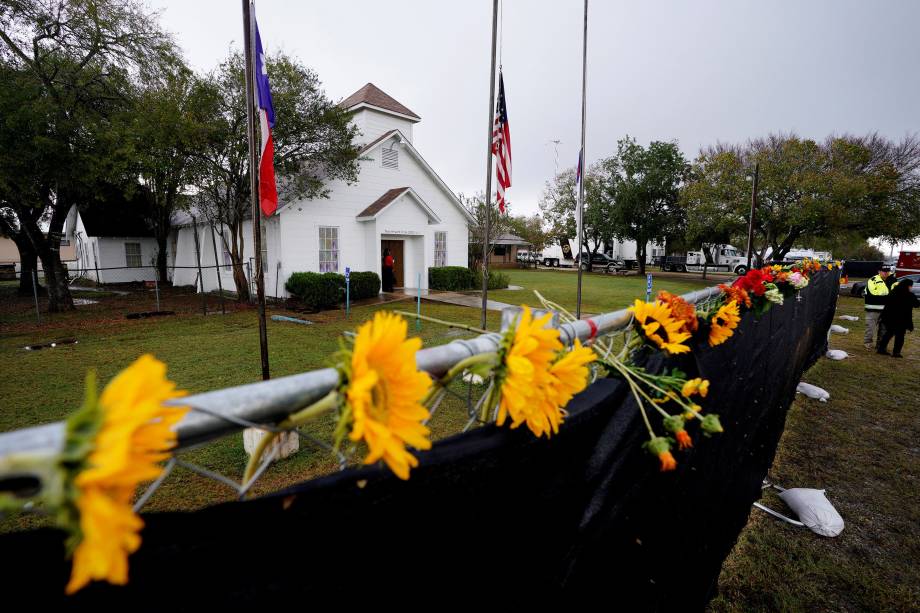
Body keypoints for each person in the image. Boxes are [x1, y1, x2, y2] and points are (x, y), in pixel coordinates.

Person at [877, 278, 918, 358]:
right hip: (901, 319)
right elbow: (916, 304)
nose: (911, 288)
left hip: (890, 318)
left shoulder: (893, 292)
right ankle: (896, 352)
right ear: (908, 286)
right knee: (900, 336)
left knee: (888, 334)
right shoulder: (909, 295)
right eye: (910, 286)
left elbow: (887, 305)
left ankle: (881, 349)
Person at [863, 265, 895, 349]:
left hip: (887, 309)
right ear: (879, 271)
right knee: (870, 327)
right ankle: (868, 342)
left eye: (887, 271)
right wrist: (889, 295)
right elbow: (874, 293)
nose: (885, 273)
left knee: (884, 328)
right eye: (884, 271)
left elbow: (897, 292)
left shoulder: (893, 280)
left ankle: (880, 345)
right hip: (873, 309)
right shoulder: (873, 280)